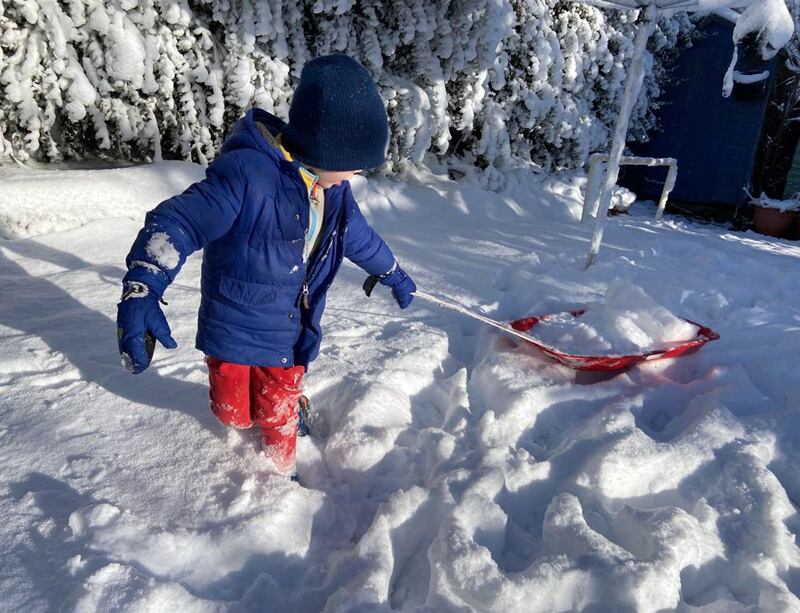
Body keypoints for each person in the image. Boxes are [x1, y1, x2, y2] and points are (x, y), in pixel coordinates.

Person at [116, 55, 416, 478]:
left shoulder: (336, 192)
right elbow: (178, 221)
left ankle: (281, 480)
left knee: (276, 416)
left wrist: (391, 271)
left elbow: (358, 237)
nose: (356, 174)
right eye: (354, 162)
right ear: (324, 145)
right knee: (231, 413)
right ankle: (263, 419)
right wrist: (143, 285)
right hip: (232, 326)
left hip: (289, 331)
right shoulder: (246, 175)